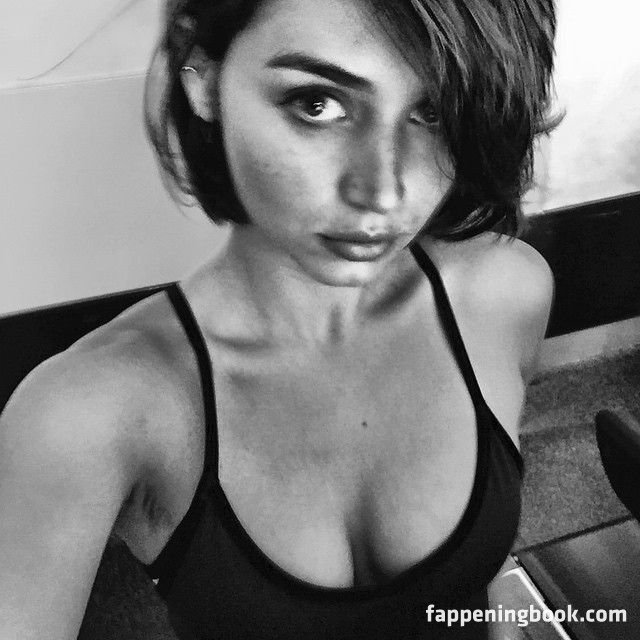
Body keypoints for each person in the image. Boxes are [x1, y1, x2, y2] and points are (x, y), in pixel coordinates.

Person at [0, 0, 559, 637]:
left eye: (434, 112)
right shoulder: (89, 413)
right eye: (316, 104)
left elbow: (484, 571)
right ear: (204, 78)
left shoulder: (506, 293)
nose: (382, 191)